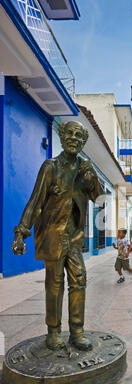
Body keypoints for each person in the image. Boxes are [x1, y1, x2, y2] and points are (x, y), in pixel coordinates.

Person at [11, 121, 102, 351]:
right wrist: (22, 232)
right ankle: (53, 331)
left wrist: (91, 175)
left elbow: (98, 197)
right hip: (53, 234)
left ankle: (77, 331)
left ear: (83, 142)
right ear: (62, 137)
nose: (73, 138)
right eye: (69, 133)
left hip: (74, 236)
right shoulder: (50, 167)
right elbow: (36, 201)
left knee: (79, 279)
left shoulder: (84, 167)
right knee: (54, 284)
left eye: (78, 136)